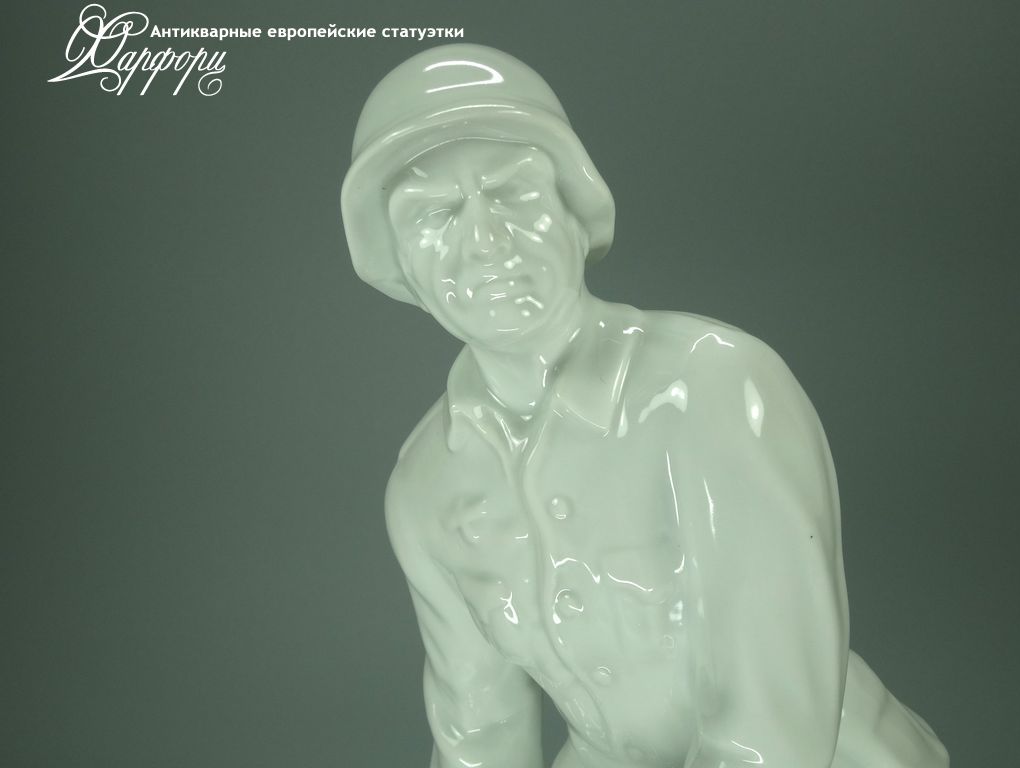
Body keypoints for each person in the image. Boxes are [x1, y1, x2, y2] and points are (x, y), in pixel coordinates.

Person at [341, 44, 948, 768]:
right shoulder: (425, 487)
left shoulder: (714, 389)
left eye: (512, 194)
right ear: (399, 265)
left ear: (575, 210)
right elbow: (480, 734)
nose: (484, 241)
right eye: (433, 215)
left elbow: (771, 733)